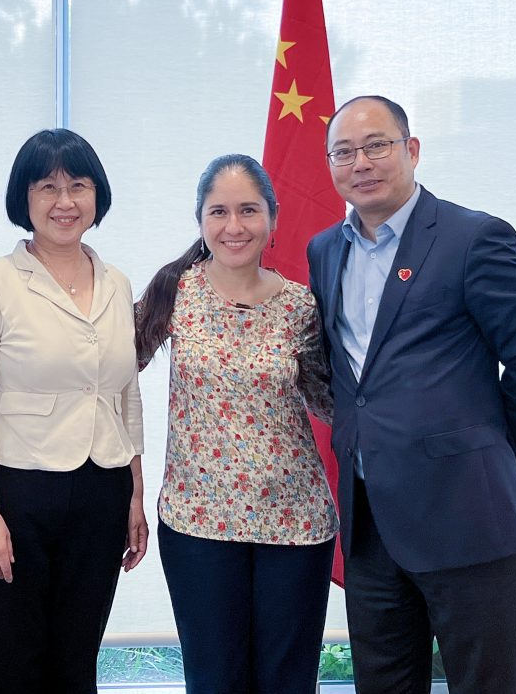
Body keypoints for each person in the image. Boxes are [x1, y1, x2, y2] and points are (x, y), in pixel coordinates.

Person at [306, 96, 516, 694]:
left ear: (411, 150)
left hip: (465, 512)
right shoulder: (325, 250)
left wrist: (496, 460)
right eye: (343, 152)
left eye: (377, 146)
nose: (361, 163)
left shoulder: (474, 237)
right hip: (369, 520)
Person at [135, 153, 338, 694]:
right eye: (218, 211)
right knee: (214, 678)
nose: (234, 226)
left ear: (271, 217)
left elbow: (332, 402)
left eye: (248, 210)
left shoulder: (301, 306)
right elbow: (106, 374)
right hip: (198, 522)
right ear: (200, 220)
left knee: (287, 681)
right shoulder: (172, 291)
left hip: (295, 523)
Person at [0, 128, 147, 693]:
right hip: (15, 492)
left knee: (75, 662)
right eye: (48, 187)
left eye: (78, 186)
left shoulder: (116, 282)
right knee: (12, 665)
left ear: (97, 195)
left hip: (100, 492)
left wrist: (134, 493)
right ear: (25, 197)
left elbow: (124, 398)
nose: (65, 202)